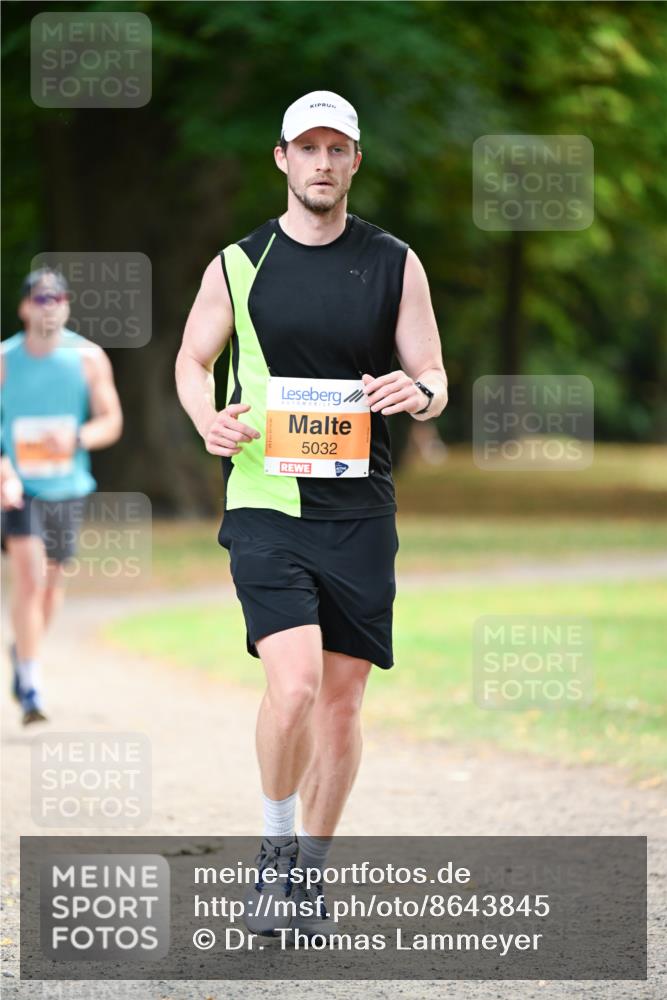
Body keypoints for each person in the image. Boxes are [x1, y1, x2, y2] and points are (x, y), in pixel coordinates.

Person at [175, 90, 447, 936]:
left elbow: (435, 378)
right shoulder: (237, 263)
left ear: (355, 161)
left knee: (339, 703)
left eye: (338, 148)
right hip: (265, 499)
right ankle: (274, 852)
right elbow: (191, 357)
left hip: (359, 509)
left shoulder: (396, 261)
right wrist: (204, 417)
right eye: (308, 148)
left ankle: (310, 880)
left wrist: (420, 392)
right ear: (281, 160)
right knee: (291, 689)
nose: (322, 162)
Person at [1, 268, 123, 724]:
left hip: (67, 487)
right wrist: (4, 470)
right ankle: (31, 687)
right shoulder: (5, 360)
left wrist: (78, 437)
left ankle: (22, 649)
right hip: (19, 489)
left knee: (52, 588)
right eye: (40, 298)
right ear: (24, 307)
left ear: (67, 305)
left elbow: (110, 420)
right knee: (30, 579)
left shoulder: (88, 358)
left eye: (57, 298)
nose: (49, 306)